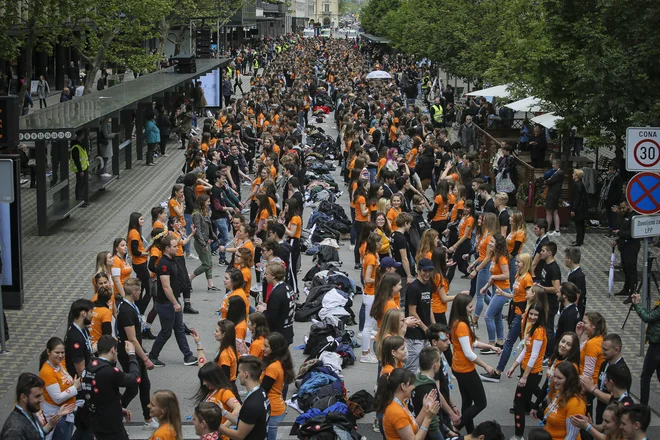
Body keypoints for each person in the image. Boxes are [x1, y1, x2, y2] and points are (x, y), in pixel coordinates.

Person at [449, 293, 500, 433]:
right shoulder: (461, 326)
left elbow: (472, 343)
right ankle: (456, 427)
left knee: (467, 402)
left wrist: (491, 346)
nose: (472, 308)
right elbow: (469, 353)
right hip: (465, 370)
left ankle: (470, 433)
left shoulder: (458, 323)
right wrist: (486, 365)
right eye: (470, 306)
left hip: (459, 368)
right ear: (462, 308)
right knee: (481, 402)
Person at [148, 235, 198, 367]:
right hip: (166, 303)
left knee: (179, 328)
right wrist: (175, 303)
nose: (177, 248)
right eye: (174, 246)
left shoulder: (172, 260)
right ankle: (152, 356)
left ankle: (188, 356)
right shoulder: (164, 264)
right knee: (166, 331)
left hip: (173, 301)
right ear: (166, 248)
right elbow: (165, 286)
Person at [80, 336, 141, 440]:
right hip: (110, 426)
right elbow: (135, 379)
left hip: (97, 422)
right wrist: (131, 355)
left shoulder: (88, 368)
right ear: (113, 350)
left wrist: (117, 408)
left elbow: (101, 394)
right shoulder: (109, 371)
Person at [116, 278, 156, 428]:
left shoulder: (130, 306)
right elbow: (132, 338)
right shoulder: (126, 311)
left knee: (144, 384)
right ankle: (115, 411)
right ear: (134, 292)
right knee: (133, 386)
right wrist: (145, 358)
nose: (141, 293)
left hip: (134, 352)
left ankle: (148, 418)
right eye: (139, 290)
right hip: (129, 353)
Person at [505, 303, 548, 440]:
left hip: (533, 373)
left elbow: (534, 355)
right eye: (531, 314)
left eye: (536, 314)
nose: (533, 317)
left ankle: (518, 436)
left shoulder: (539, 331)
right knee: (525, 402)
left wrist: (524, 376)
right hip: (527, 371)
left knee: (519, 403)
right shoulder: (531, 328)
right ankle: (550, 418)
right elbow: (525, 349)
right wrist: (513, 366)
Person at [0, 373, 73, 440]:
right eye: (37, 396)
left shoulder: (29, 412)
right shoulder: (14, 431)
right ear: (23, 397)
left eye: (41, 395)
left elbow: (35, 435)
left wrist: (51, 424)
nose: (41, 400)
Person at [374, 368, 440, 440]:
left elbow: (414, 426)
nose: (414, 387)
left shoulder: (399, 402)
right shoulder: (396, 412)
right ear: (403, 386)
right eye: (411, 384)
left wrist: (424, 408)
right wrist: (428, 418)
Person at [217, 356, 270, 440]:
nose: (238, 375)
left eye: (239, 372)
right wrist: (224, 412)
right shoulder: (261, 392)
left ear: (246, 374)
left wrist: (216, 426)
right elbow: (245, 421)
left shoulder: (252, 404)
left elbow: (239, 435)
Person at [38, 337, 80, 440]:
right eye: (57, 352)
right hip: (57, 415)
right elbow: (57, 398)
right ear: (48, 351)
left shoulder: (59, 364)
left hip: (67, 412)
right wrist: (74, 388)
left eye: (62, 352)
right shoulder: (47, 372)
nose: (60, 356)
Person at [532, 361, 585, 440]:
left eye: (559, 378)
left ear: (569, 380)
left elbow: (571, 436)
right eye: (554, 376)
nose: (555, 380)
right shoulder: (558, 393)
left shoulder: (575, 404)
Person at [480, 234, 511, 353]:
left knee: (488, 316)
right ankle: (500, 342)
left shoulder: (502, 258)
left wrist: (493, 276)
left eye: (492, 242)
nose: (490, 243)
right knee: (497, 317)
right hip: (495, 289)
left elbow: (506, 275)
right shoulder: (495, 256)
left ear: (498, 244)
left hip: (502, 291)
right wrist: (486, 286)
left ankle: (491, 343)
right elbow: (493, 278)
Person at [404, 258, 436, 372]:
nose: (427, 274)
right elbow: (412, 311)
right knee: (413, 366)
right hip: (414, 333)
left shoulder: (428, 286)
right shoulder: (413, 288)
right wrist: (425, 328)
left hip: (426, 332)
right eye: (425, 271)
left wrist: (433, 325)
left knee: (427, 365)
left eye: (429, 271)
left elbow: (429, 307)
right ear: (419, 270)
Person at [261, 333, 295, 440]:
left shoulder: (273, 368)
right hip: (277, 407)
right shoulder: (279, 363)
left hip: (272, 410)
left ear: (274, 349)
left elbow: (263, 390)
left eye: (266, 346)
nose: (263, 349)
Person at [630, 291, 660, 405]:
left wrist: (637, 304)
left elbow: (647, 317)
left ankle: (643, 407)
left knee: (645, 377)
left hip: (656, 347)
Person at [577, 311, 607, 422]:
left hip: (587, 385)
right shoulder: (590, 338)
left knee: (584, 418)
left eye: (585, 323)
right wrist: (579, 335)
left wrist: (582, 389)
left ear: (593, 325)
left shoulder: (592, 343)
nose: (582, 324)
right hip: (590, 384)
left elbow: (588, 371)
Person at [411, 347, 445, 440]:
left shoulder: (415, 380)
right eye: (439, 361)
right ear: (435, 365)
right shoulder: (430, 390)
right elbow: (433, 425)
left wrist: (446, 430)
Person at [258, 262, 295, 345]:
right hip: (287, 330)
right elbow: (283, 307)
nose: (265, 276)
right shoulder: (288, 288)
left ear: (273, 276)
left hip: (278, 335)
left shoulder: (276, 293)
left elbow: (271, 318)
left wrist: (263, 311)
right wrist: (268, 306)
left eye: (267, 274)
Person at [360, 232, 382, 363]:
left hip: (371, 293)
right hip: (371, 294)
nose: (381, 244)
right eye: (379, 242)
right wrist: (381, 279)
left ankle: (367, 351)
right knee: (368, 326)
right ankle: (365, 353)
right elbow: (367, 279)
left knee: (370, 324)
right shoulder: (371, 259)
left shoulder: (372, 256)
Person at [537, 242, 561, 358]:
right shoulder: (545, 264)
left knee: (549, 329)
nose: (540, 253)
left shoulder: (554, 268)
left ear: (549, 253)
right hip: (544, 301)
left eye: (543, 251)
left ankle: (550, 354)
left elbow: (556, 288)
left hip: (550, 304)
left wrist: (543, 288)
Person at [190, 195, 219, 291]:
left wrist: (213, 238)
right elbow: (198, 231)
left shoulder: (204, 213)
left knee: (209, 263)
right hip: (201, 243)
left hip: (206, 241)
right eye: (207, 201)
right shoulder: (197, 214)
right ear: (202, 202)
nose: (209, 203)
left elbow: (208, 228)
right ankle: (189, 278)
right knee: (206, 264)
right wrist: (203, 244)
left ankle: (210, 285)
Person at [614, 200, 640, 298]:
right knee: (625, 269)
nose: (622, 210)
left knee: (631, 270)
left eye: (624, 207)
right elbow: (623, 229)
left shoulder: (634, 217)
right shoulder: (626, 215)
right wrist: (617, 240)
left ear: (629, 206)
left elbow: (633, 234)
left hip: (631, 247)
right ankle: (626, 288)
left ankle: (633, 293)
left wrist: (619, 233)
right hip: (624, 246)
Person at [127, 213, 151, 313]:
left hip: (140, 263)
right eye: (141, 219)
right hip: (139, 264)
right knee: (149, 290)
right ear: (136, 221)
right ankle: (140, 311)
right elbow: (136, 252)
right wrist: (146, 254)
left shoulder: (134, 232)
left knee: (142, 286)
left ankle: (138, 308)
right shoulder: (134, 233)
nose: (143, 221)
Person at [64, 299, 94, 378]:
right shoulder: (75, 338)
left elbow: (86, 349)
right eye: (91, 312)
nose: (93, 315)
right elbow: (80, 370)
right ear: (83, 313)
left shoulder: (84, 329)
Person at [564, 247, 587, 317]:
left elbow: (578, 292)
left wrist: (572, 308)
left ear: (570, 260)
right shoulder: (573, 273)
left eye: (565, 258)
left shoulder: (579, 276)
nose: (564, 260)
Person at [544, 159, 564, 236]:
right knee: (555, 212)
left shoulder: (559, 173)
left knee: (548, 212)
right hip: (555, 194)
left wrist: (547, 181)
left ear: (558, 165)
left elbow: (549, 181)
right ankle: (557, 230)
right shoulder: (558, 172)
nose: (552, 166)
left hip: (552, 194)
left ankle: (548, 230)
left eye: (554, 165)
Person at [69, 131, 89, 204]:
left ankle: (82, 199)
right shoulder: (76, 147)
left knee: (82, 183)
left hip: (83, 167)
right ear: (82, 135)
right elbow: (77, 160)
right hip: (79, 169)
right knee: (79, 183)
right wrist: (80, 171)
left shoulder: (78, 144)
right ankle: (79, 199)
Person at [570, 169, 588, 246]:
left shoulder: (578, 185)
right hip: (580, 207)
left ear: (577, 176)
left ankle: (579, 241)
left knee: (579, 225)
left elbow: (577, 198)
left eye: (574, 173)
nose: (572, 175)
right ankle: (579, 240)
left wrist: (573, 209)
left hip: (579, 208)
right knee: (579, 224)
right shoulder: (577, 184)